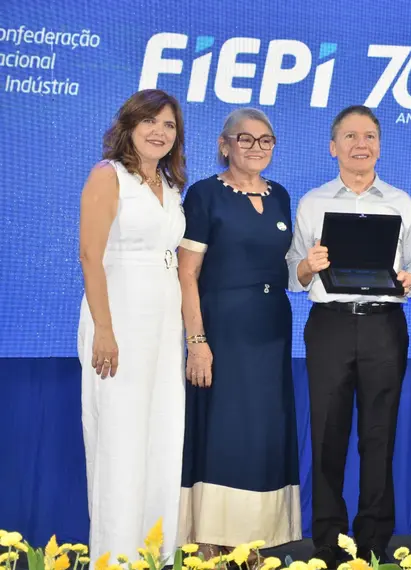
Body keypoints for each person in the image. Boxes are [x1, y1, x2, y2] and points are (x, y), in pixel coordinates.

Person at [285, 105, 411, 567]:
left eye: (368, 136)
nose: (360, 145)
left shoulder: (402, 203)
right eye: (349, 137)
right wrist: (308, 266)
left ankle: (373, 540)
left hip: (384, 325)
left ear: (380, 146)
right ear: (334, 147)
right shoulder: (312, 202)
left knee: (378, 434)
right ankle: (328, 539)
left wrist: (409, 279)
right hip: (328, 325)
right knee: (327, 433)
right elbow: (292, 271)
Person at [177, 108, 301, 559]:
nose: (256, 148)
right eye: (245, 139)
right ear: (224, 144)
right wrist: (197, 342)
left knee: (264, 432)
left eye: (265, 140)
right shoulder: (205, 195)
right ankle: (210, 545)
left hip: (272, 327)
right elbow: (186, 274)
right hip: (222, 328)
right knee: (224, 432)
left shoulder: (281, 195)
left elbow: (287, 268)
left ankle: (252, 544)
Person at [78, 89, 187, 563]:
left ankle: (153, 554)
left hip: (164, 325)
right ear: (129, 124)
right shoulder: (109, 176)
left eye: (169, 125)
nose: (160, 132)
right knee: (120, 441)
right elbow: (90, 256)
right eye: (151, 122)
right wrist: (104, 328)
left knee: (162, 437)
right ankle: (114, 556)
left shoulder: (170, 184)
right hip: (118, 318)